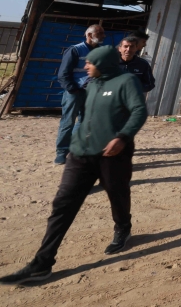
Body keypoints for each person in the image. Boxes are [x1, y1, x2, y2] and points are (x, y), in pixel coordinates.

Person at [1, 46, 146, 285]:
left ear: (104, 64)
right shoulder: (92, 84)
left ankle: (123, 227)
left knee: (117, 195)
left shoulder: (126, 81)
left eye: (91, 63)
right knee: (63, 204)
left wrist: (122, 137)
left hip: (112, 154)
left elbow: (139, 111)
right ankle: (42, 263)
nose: (86, 66)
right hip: (80, 154)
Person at [54, 24, 105, 165]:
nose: (103, 36)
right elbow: (63, 74)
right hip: (75, 92)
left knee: (84, 121)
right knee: (68, 122)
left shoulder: (100, 51)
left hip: (92, 92)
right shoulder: (75, 50)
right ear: (89, 35)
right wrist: (72, 89)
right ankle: (61, 152)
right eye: (100, 33)